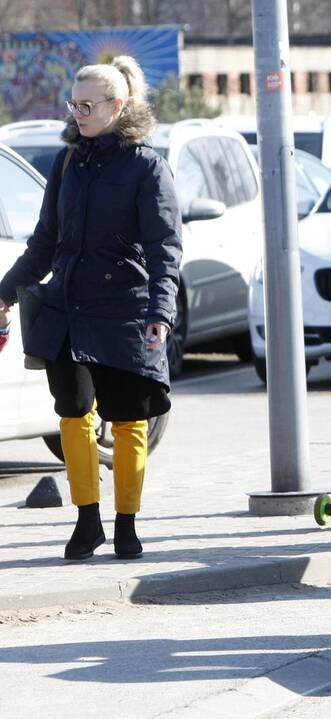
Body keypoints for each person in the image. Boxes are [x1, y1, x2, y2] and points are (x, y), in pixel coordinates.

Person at [0, 56, 182, 561]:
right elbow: (45, 241)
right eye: (72, 104)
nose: (77, 113)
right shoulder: (68, 162)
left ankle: (126, 523)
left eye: (86, 105)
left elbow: (166, 247)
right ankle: (88, 520)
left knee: (126, 421)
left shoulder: (147, 164)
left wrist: (160, 313)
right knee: (73, 415)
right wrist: (7, 289)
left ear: (117, 106)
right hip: (67, 310)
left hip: (125, 311)